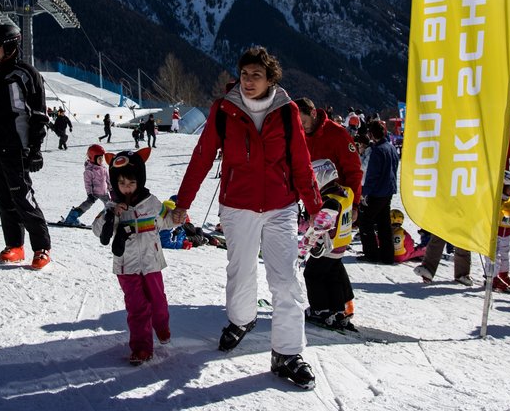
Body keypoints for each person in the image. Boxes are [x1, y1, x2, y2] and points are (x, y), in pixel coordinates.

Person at [172, 46, 322, 389]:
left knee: (285, 280)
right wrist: (183, 202)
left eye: (257, 75)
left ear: (271, 79)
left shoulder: (287, 112)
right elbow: (202, 157)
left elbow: (301, 164)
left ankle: (287, 352)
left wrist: (314, 209)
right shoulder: (225, 110)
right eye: (244, 74)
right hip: (238, 206)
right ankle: (241, 321)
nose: (249, 81)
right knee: (241, 273)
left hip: (281, 206)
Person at [0, 24, 52, 270]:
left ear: (9, 45)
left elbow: (39, 115)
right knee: (3, 199)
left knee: (22, 198)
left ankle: (41, 248)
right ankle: (15, 245)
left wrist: (36, 149)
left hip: (15, 148)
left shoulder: (26, 75)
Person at [93, 147, 173, 365]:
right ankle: (141, 348)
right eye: (121, 184)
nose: (126, 188)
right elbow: (97, 230)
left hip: (152, 263)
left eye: (131, 183)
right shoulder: (113, 207)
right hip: (126, 266)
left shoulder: (151, 203)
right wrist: (111, 214)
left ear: (140, 180)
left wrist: (179, 215)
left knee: (157, 302)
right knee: (137, 307)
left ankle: (162, 325)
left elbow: (167, 221)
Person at [300, 160, 358, 330]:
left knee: (313, 274)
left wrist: (300, 227)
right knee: (333, 276)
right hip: (340, 244)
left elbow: (318, 227)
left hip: (327, 247)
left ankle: (320, 309)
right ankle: (338, 310)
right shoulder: (346, 192)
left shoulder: (329, 201)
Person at [358, 120, 399, 265]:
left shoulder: (377, 150)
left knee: (366, 221)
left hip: (376, 191)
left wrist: (364, 192)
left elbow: (372, 175)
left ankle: (371, 253)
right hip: (388, 189)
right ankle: (388, 255)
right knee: (384, 223)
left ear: (371, 134)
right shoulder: (391, 147)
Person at [63, 144, 109, 226]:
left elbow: (108, 180)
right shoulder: (89, 170)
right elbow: (88, 184)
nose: (101, 160)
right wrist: (90, 194)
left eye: (102, 158)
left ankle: (108, 221)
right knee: (86, 205)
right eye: (99, 158)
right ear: (92, 158)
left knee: (110, 207)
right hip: (94, 193)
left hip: (104, 193)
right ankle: (71, 218)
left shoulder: (103, 168)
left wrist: (111, 189)